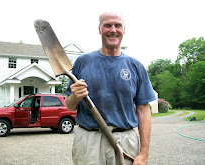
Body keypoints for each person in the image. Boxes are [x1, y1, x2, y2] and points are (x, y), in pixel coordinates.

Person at [65, 11, 156, 165]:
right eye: (107, 25)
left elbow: (143, 110)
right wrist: (75, 96)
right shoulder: (82, 62)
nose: (113, 30)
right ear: (100, 30)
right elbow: (70, 105)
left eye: (117, 25)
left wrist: (144, 153)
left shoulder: (136, 66)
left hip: (125, 139)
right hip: (89, 140)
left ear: (124, 30)